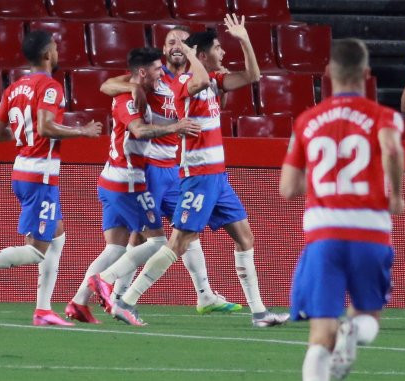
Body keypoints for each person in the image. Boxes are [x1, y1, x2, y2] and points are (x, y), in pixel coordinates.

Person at [89, 14, 290, 328]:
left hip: (217, 176)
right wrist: (192, 52)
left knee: (245, 238)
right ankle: (118, 291)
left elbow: (252, 75)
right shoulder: (184, 82)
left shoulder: (212, 81)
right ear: (204, 54)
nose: (223, 54)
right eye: (219, 49)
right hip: (194, 174)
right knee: (174, 242)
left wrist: (244, 39)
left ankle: (260, 313)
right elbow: (111, 84)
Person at [0, 30, 103, 326]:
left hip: (22, 169)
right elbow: (45, 127)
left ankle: (43, 310)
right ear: (47, 54)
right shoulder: (51, 86)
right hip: (39, 175)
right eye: (55, 48)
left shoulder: (15, 88)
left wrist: (23, 136)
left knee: (57, 238)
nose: (57, 52)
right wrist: (81, 131)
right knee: (36, 251)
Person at [280, 38, 405, 381]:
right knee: (368, 317)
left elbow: (288, 188)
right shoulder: (383, 116)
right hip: (371, 230)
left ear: (327, 74)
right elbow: (392, 149)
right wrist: (395, 194)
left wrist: (326, 184)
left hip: (324, 233)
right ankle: (353, 331)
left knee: (320, 335)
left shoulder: (307, 120)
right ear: (367, 74)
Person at [98, 26, 242, 315]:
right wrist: (134, 86)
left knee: (188, 230)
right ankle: (116, 296)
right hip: (149, 167)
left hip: (174, 167)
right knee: (141, 237)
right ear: (164, 51)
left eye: (181, 41)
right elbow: (107, 86)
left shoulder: (193, 79)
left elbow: (219, 102)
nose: (176, 45)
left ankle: (204, 295)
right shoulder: (154, 75)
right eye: (170, 41)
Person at [64, 47, 202, 324]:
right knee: (158, 241)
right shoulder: (126, 98)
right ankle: (106, 283)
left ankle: (78, 303)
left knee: (114, 248)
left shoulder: (140, 91)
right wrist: (176, 127)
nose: (160, 73)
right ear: (142, 72)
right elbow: (138, 130)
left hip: (111, 178)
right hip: (127, 182)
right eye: (155, 69)